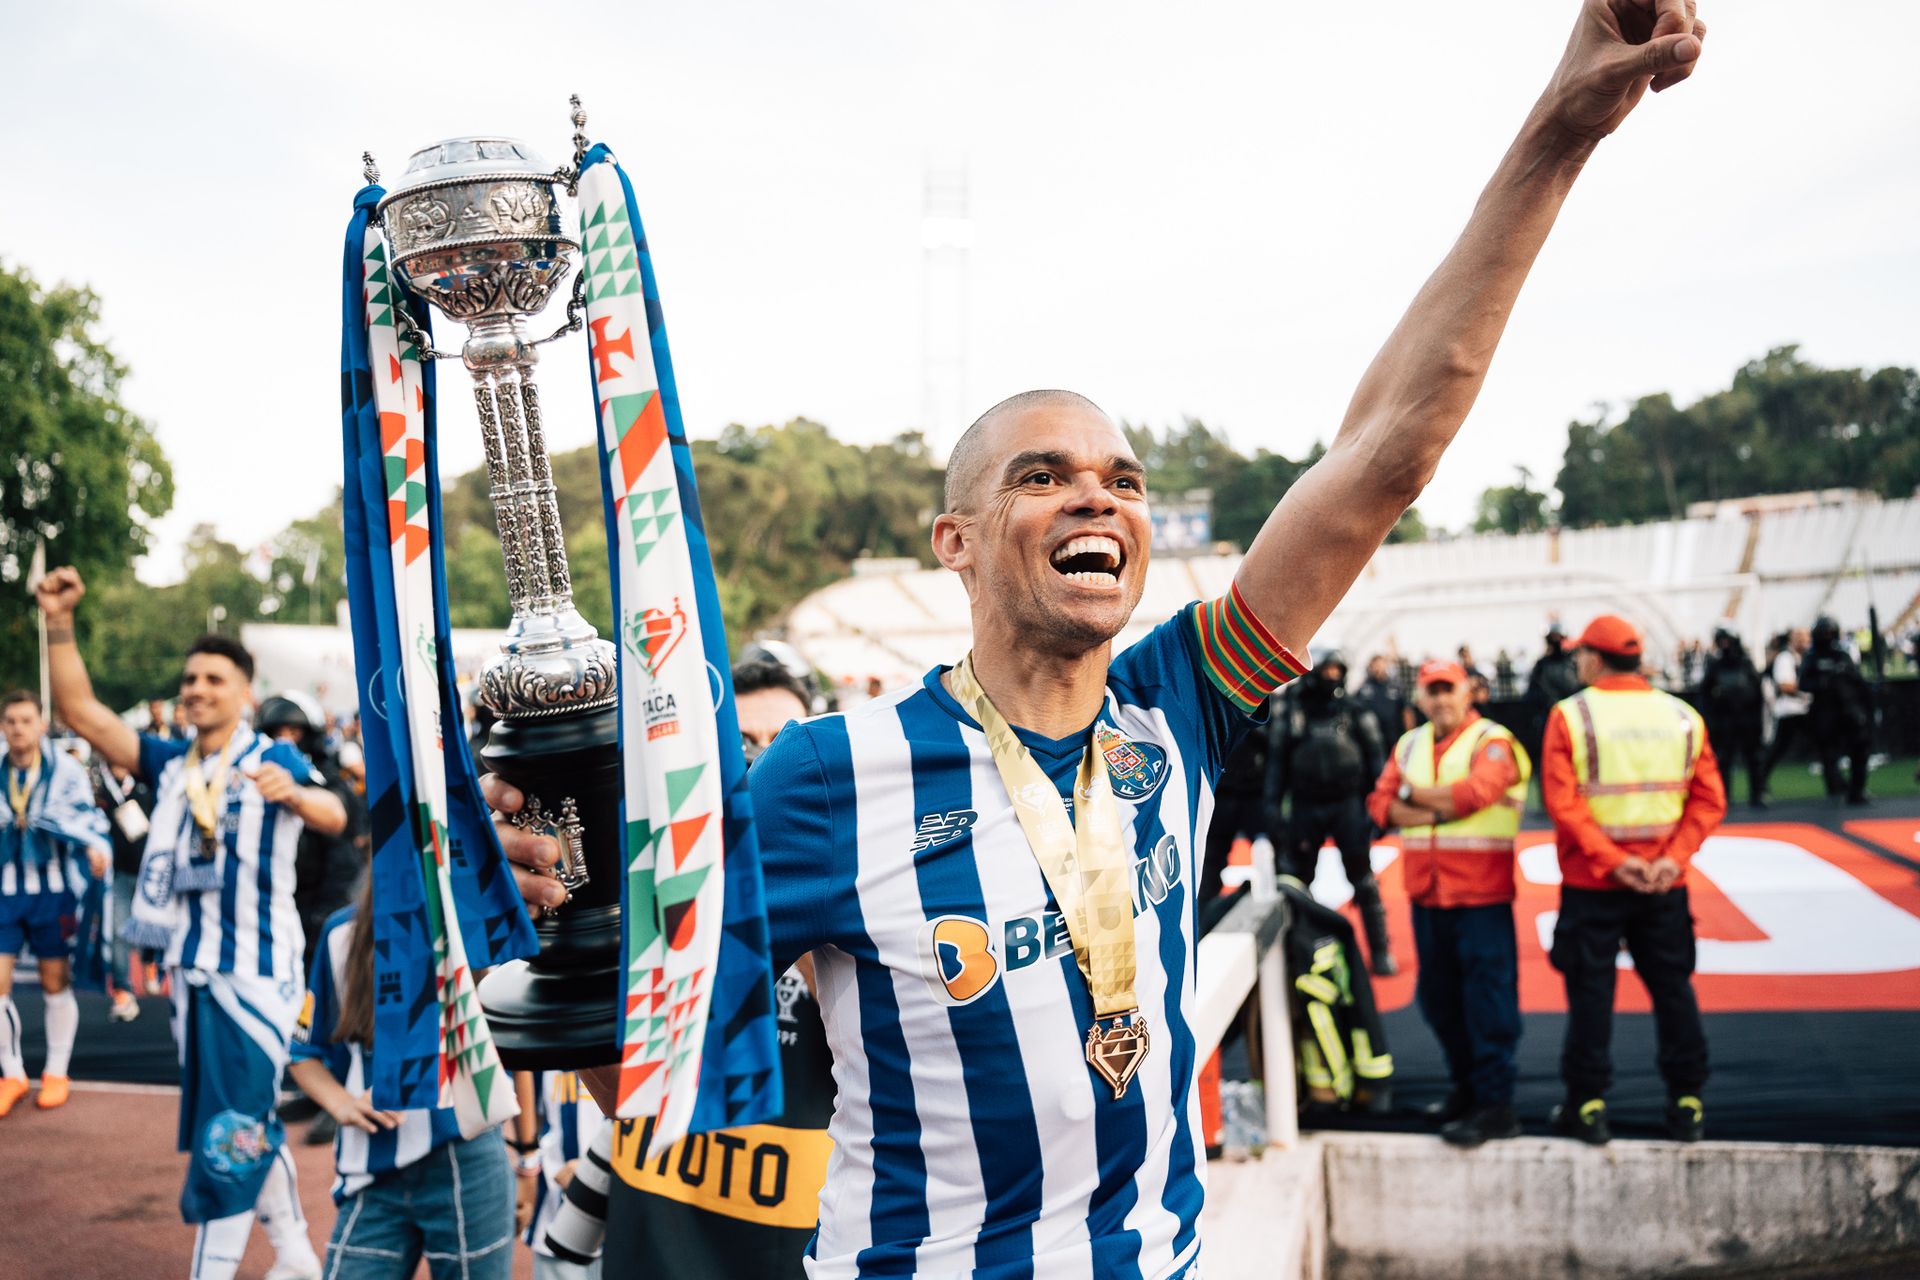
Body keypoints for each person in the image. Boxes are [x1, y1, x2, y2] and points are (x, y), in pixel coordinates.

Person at [495, 8, 1712, 1271]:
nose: (1100, 497)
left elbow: (1385, 455)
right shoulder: (826, 771)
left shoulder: (1175, 704)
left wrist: (1559, 135)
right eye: (1046, 475)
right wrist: (573, 935)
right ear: (955, 539)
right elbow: (653, 1078)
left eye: (1124, 479)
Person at [36, 567, 346, 1280]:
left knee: (227, 1131)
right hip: (190, 973)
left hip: (256, 975)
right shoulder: (173, 765)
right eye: (190, 680)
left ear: (244, 690)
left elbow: (337, 818)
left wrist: (294, 793)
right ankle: (296, 1251)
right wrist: (57, 619)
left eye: (213, 678)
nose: (197, 689)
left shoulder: (275, 755)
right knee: (239, 1120)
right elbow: (84, 714)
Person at [1541, 614, 1725, 1145]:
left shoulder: (1570, 715)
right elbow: (1709, 799)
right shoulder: (1683, 715)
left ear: (1595, 659)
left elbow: (1563, 803)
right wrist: (1673, 858)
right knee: (1673, 991)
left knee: (1591, 995)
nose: (1576, 661)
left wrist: (1613, 861)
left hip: (1593, 885)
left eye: (1581, 654)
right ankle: (1687, 1103)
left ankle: (1588, 1104)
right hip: (1665, 884)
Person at [289, 877, 515, 1279]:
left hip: (467, 1161)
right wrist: (342, 1102)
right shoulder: (343, 933)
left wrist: (529, 1156)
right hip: (372, 1170)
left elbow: (511, 1051)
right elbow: (303, 1053)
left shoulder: (476, 925)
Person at [1366, 662, 1531, 1146]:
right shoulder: (1410, 743)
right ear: (1420, 696)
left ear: (1468, 692)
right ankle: (1467, 1090)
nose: (1440, 700)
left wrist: (1411, 796)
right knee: (1440, 1001)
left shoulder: (1493, 741)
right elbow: (1379, 806)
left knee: (1488, 1002)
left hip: (1481, 895)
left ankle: (1497, 1106)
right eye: (1431, 690)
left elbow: (1476, 795)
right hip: (1428, 893)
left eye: (1448, 689)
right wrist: (1434, 802)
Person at [0, 690, 111, 1116]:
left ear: (41, 724)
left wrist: (94, 848)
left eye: (26, 720)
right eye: (10, 721)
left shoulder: (64, 770)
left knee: (54, 982)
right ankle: (11, 1073)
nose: (18, 729)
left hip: (53, 889)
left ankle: (56, 1071)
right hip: (6, 890)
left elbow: (85, 819)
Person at [1270, 652, 1395, 975]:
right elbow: (1277, 763)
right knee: (1298, 881)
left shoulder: (1354, 710)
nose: (1331, 675)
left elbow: (1376, 761)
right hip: (1305, 806)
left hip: (1348, 805)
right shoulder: (1291, 710)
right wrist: (1272, 808)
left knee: (1363, 880)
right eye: (1326, 669)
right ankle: (1302, 951)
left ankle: (1380, 950)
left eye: (1336, 669)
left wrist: (1380, 809)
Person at [255, 692, 367, 969]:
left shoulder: (325, 780)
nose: (284, 741)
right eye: (275, 733)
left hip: (318, 912)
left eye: (292, 731)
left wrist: (320, 917)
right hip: (274, 912)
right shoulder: (253, 783)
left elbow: (343, 859)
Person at [95, 757, 158, 1020]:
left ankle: (149, 964)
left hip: (149, 873)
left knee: (150, 927)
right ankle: (122, 990)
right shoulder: (104, 792)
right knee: (119, 931)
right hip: (121, 873)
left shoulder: (147, 786)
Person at [1800, 616, 1873, 805]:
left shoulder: (1843, 655)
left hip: (1848, 710)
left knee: (1858, 751)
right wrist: (1824, 682)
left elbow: (1858, 682)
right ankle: (1836, 790)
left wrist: (1864, 707)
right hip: (1825, 712)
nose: (1826, 637)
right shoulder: (1811, 657)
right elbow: (1804, 683)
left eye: (1829, 633)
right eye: (1823, 633)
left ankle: (1856, 790)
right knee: (1829, 755)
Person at [1699, 625, 1765, 807]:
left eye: (1727, 641)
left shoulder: (1745, 663)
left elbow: (1757, 693)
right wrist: (1712, 719)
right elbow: (1705, 693)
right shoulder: (1715, 665)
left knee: (1754, 758)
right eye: (1722, 641)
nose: (1725, 645)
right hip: (1725, 720)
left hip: (1747, 720)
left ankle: (1757, 795)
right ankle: (1724, 797)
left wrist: (1757, 720)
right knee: (1724, 760)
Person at [1760, 626, 1810, 798]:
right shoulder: (1785, 658)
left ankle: (1837, 784)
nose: (1803, 642)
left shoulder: (1807, 658)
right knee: (1777, 749)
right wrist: (1808, 689)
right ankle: (1760, 783)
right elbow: (1785, 685)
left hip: (1805, 709)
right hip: (1790, 710)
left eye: (1805, 638)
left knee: (1825, 747)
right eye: (1799, 639)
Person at [1524, 624, 1582, 758]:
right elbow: (1532, 694)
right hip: (1548, 717)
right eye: (1552, 638)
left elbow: (1579, 687)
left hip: (1574, 717)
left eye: (1558, 638)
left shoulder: (1573, 662)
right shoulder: (1542, 665)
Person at [1354, 653, 1414, 740]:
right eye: (1375, 665)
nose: (1377, 668)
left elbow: (1406, 711)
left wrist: (1410, 734)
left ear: (1385, 665)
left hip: (1395, 734)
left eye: (1380, 665)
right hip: (1373, 738)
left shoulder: (1396, 686)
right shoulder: (1364, 688)